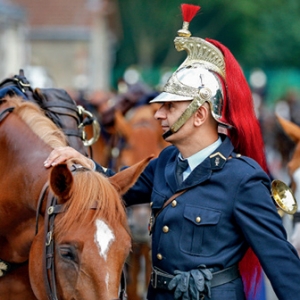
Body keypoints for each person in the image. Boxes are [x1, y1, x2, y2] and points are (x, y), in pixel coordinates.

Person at [44, 4, 300, 300]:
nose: (158, 115)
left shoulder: (243, 180)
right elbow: (114, 189)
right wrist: (84, 164)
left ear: (200, 114)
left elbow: (283, 268)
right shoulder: (166, 162)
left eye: (170, 107)